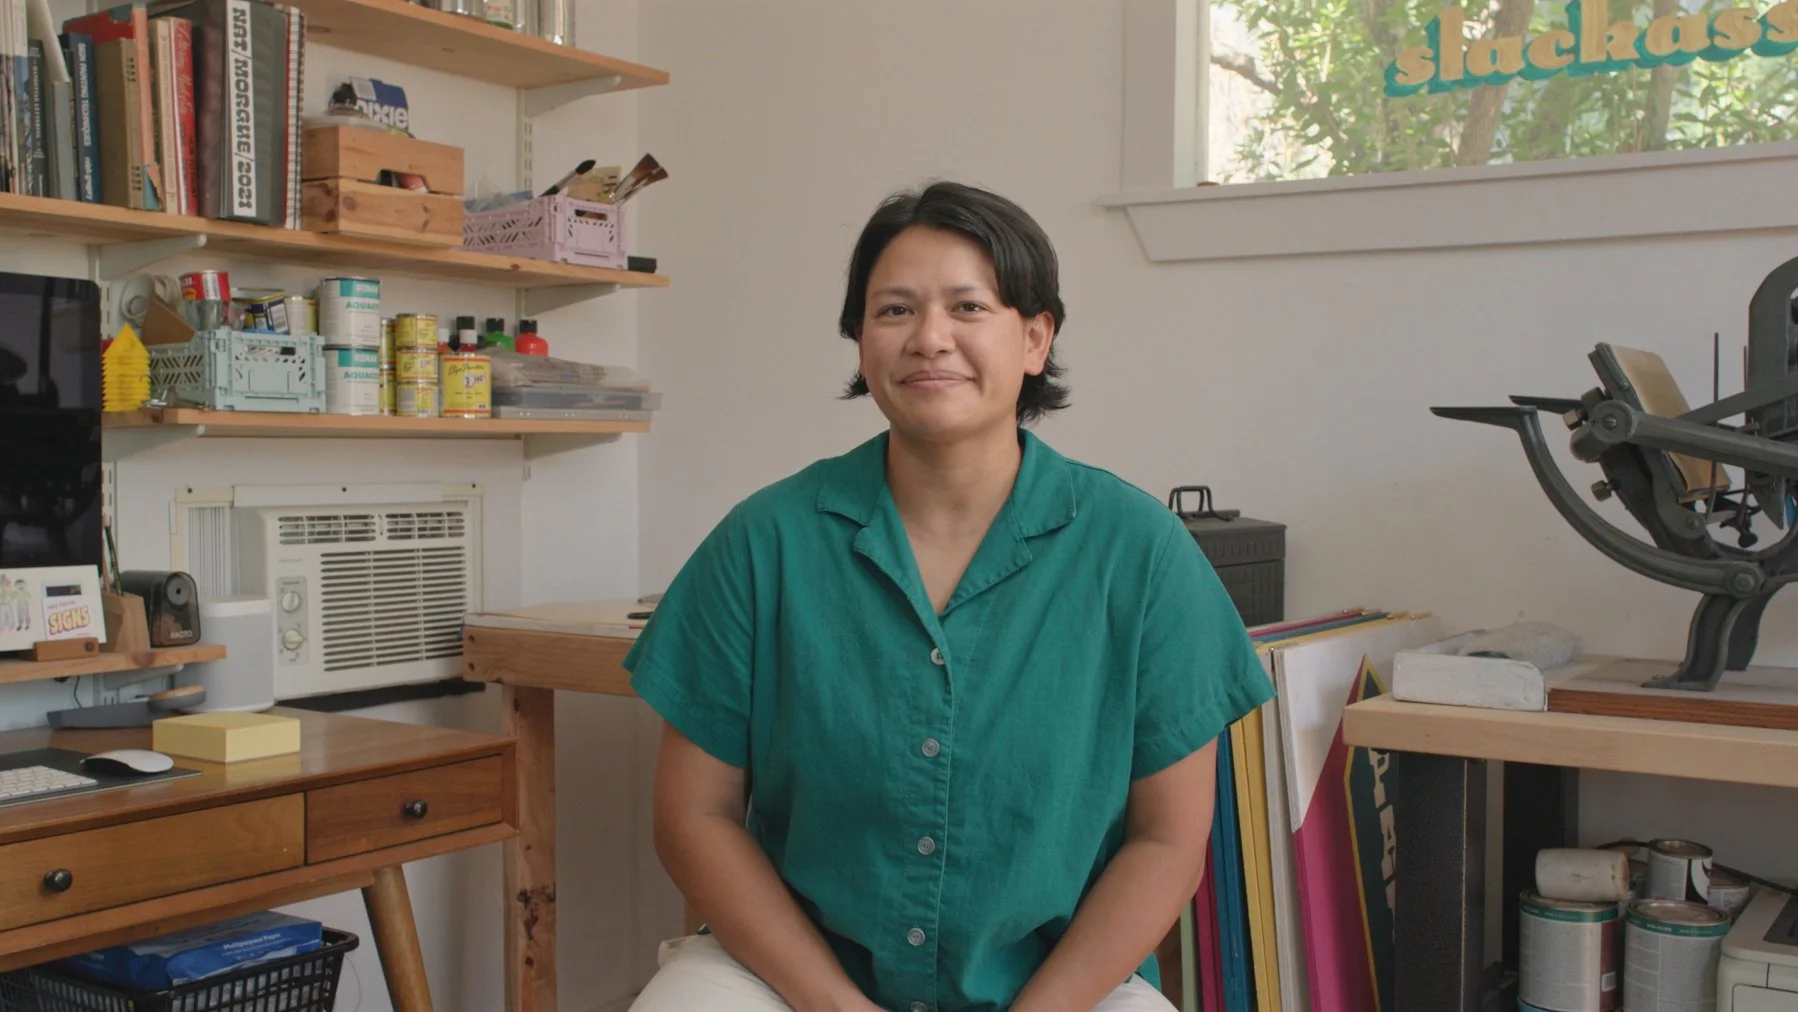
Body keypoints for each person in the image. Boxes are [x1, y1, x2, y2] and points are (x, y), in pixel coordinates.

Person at [624, 181, 1274, 1012]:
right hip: (792, 976)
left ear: (1035, 337)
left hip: (1058, 985)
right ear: (861, 342)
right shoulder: (763, 542)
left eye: (969, 307)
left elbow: (1168, 840)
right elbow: (695, 817)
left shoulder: (1141, 553)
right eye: (894, 310)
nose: (930, 339)